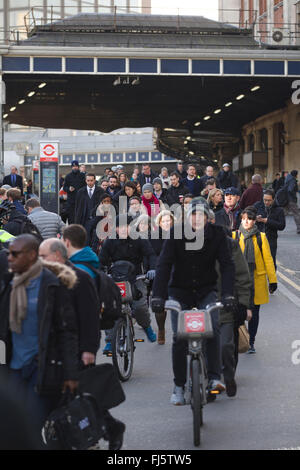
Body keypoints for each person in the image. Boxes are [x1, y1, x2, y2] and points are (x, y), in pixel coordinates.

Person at [151, 197, 235, 405]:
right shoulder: (176, 234)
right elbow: (163, 265)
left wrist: (228, 294)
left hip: (206, 289)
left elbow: (227, 265)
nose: (198, 219)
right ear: (188, 217)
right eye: (194, 214)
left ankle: (214, 378)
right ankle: (178, 385)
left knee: (213, 329)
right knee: (179, 338)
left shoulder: (218, 235)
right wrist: (158, 296)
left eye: (202, 215)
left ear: (208, 217)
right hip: (179, 291)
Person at [0, 234, 79, 443]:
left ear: (32, 255)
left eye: (15, 254)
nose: (10, 258)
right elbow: (3, 332)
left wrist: (71, 373)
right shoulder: (10, 284)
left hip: (42, 368)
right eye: (9, 254)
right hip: (14, 369)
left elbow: (67, 331)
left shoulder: (52, 285)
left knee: (33, 423)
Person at [38, 238, 100, 367]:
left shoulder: (80, 278)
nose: (40, 260)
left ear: (57, 255)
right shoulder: (43, 278)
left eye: (43, 256)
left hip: (76, 350)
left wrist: (89, 349)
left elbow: (89, 316)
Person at [99, 214, 157, 347]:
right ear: (116, 229)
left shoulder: (140, 239)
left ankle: (147, 327)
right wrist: (102, 273)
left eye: (126, 226)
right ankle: (110, 340)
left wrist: (152, 269)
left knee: (140, 307)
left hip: (136, 278)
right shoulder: (110, 241)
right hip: (116, 279)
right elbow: (101, 260)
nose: (124, 229)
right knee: (110, 308)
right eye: (120, 227)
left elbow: (151, 254)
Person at [233, 206, 277, 354]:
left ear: (254, 221)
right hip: (238, 281)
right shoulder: (234, 236)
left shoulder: (261, 237)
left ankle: (251, 341)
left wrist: (273, 280)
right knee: (239, 312)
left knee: (254, 313)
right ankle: (239, 338)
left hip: (256, 281)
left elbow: (268, 259)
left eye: (250, 219)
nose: (246, 222)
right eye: (244, 219)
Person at [151, 210, 176, 345]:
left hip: (177, 272)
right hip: (161, 272)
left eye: (169, 220)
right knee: (159, 304)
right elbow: (152, 254)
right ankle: (161, 329)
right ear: (159, 223)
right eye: (164, 221)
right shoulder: (154, 236)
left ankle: (180, 331)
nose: (167, 223)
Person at [254, 189, 286, 269]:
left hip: (271, 239)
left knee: (271, 262)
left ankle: (272, 280)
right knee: (257, 263)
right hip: (257, 238)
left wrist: (267, 221)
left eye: (269, 200)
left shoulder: (279, 210)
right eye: (265, 200)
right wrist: (255, 218)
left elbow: (282, 226)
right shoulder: (257, 206)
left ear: (273, 199)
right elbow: (247, 216)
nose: (266, 202)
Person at [285, 170, 300, 234]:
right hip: (291, 200)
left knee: (281, 213)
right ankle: (299, 228)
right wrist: (294, 197)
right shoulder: (292, 180)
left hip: (286, 199)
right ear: (295, 175)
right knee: (296, 214)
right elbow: (290, 190)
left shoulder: (288, 179)